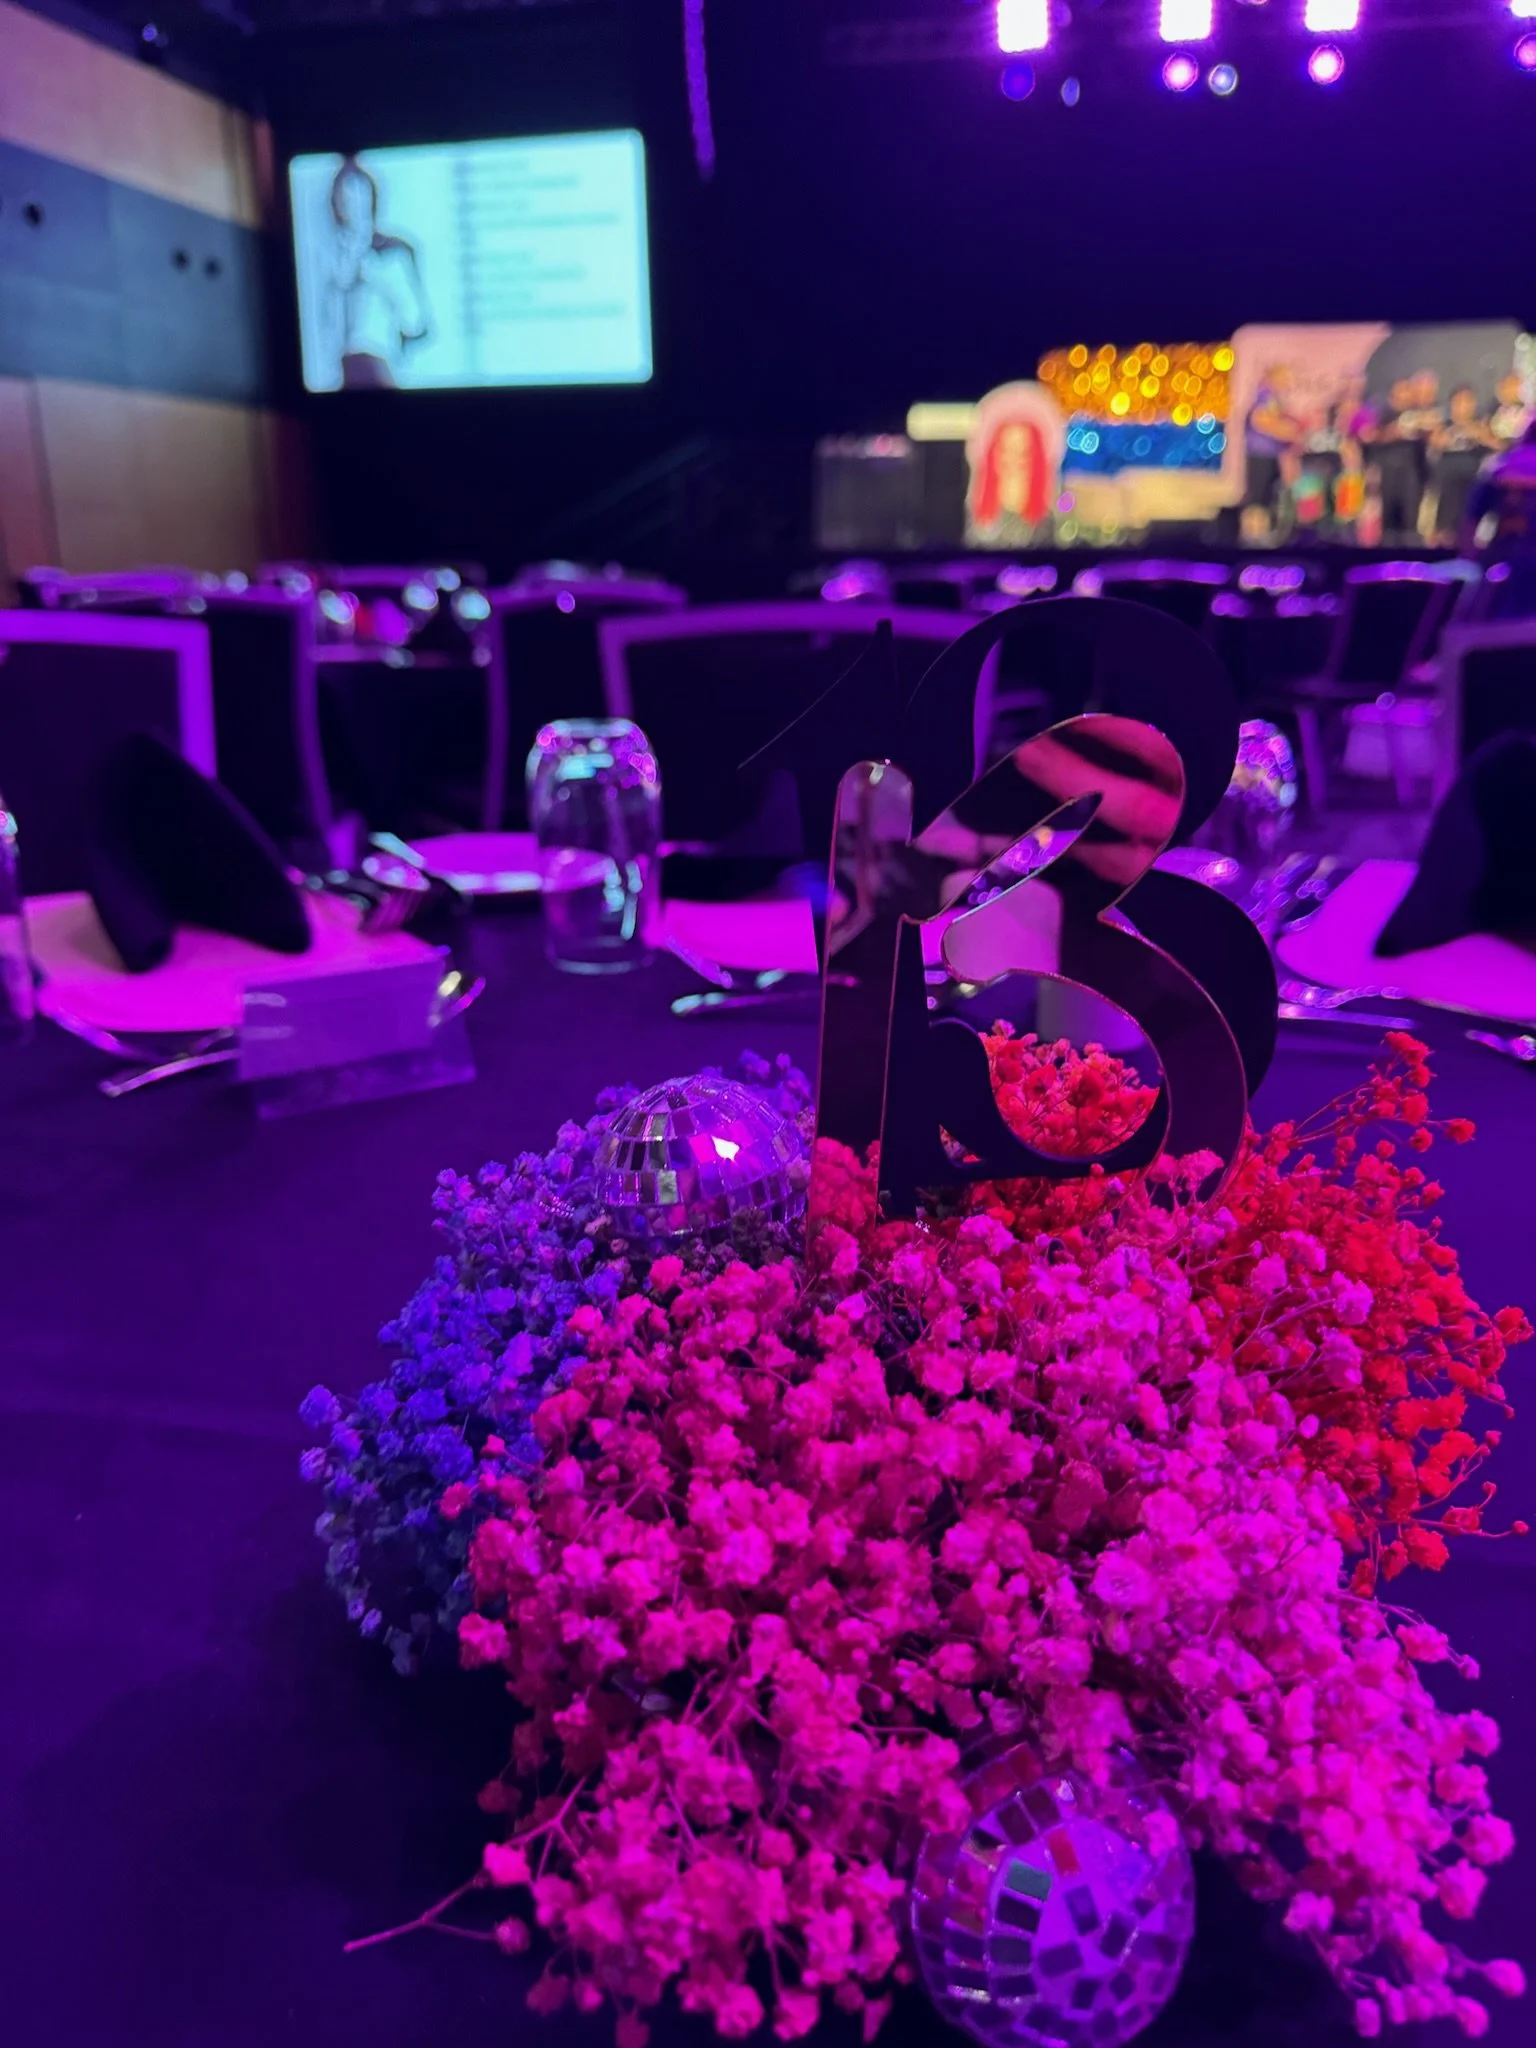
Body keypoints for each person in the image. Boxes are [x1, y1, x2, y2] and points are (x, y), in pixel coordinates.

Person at [324, 154, 430, 390]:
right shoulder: (331, 256)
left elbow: (414, 322)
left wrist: (380, 279)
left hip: (378, 367)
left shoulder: (393, 254)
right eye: (346, 200)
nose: (353, 208)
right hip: (341, 376)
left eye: (360, 197)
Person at [1429, 386, 1498, 545]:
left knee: (1468, 517)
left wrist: (1479, 434)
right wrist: (1451, 433)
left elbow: (1498, 445)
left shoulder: (1481, 424)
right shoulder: (1443, 425)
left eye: (1468, 402)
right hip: (1448, 479)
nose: (1464, 407)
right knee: (1446, 518)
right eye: (1459, 402)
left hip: (1471, 476)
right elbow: (1435, 443)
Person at [1243, 366, 1302, 535]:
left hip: (1271, 455)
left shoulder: (1275, 399)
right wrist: (1289, 431)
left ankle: (1261, 534)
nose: (1288, 383)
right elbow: (1260, 420)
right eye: (1286, 378)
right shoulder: (1266, 397)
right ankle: (1253, 535)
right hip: (1260, 455)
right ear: (1275, 378)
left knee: (1267, 499)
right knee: (1257, 501)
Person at [1491, 372, 1532, 450]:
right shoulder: (1494, 412)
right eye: (1509, 386)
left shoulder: (1528, 412)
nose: (1512, 390)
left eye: (1516, 386)